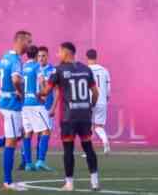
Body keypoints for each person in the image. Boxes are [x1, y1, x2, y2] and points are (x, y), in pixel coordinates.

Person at [40, 42, 100, 191]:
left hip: (69, 117)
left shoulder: (58, 70)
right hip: (84, 116)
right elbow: (96, 93)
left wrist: (40, 87)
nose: (57, 55)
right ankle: (95, 182)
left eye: (59, 52)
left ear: (66, 53)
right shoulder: (86, 69)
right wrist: (89, 107)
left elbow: (46, 92)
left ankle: (69, 183)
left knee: (68, 149)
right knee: (88, 147)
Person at [0, 30, 32, 191]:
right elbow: (16, 79)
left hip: (6, 102)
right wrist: (20, 93)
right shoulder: (15, 60)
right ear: (20, 41)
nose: (30, 45)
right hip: (11, 105)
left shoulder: (5, 57)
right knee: (11, 141)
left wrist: (3, 87)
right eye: (28, 42)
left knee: (18, 135)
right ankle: (7, 182)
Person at [21, 45, 53, 172]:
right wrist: (44, 93)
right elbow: (41, 82)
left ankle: (28, 163)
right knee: (46, 131)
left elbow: (19, 83)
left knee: (28, 133)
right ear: (35, 56)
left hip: (25, 104)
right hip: (36, 103)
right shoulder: (37, 67)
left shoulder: (23, 67)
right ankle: (40, 161)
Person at [86, 49, 112, 154]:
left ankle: (88, 150)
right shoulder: (105, 70)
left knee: (88, 126)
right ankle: (105, 141)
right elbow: (108, 87)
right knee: (98, 126)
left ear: (87, 57)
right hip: (102, 101)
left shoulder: (85, 70)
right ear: (96, 57)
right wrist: (107, 98)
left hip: (89, 101)